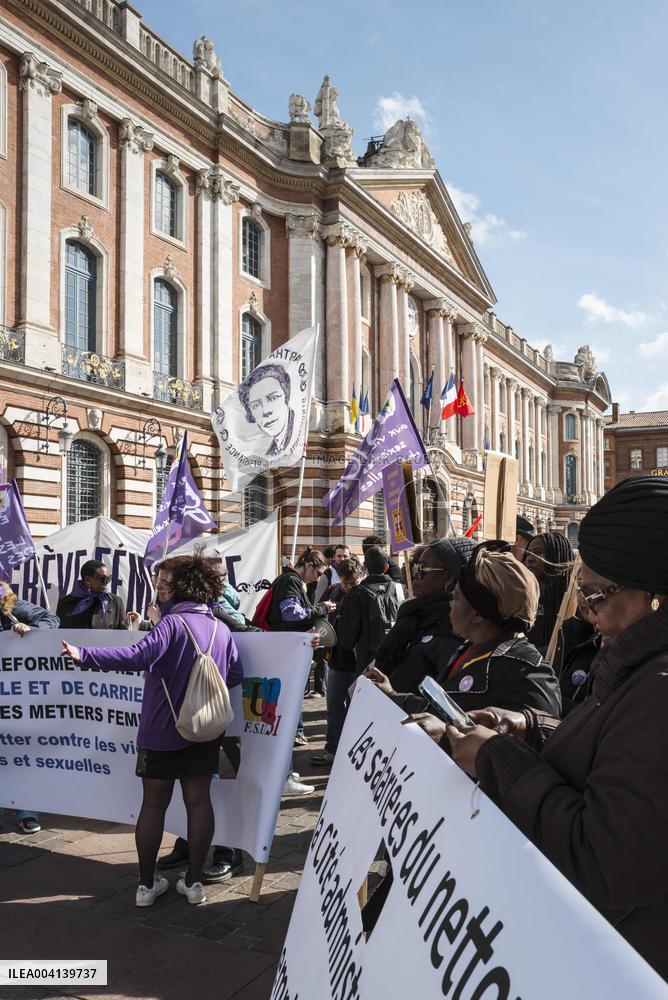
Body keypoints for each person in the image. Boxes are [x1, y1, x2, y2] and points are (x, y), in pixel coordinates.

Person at [413, 476, 668, 980]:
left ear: (654, 594)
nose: (584, 611)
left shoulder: (659, 686)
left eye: (594, 595)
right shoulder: (635, 661)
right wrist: (530, 728)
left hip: (616, 962)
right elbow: (611, 750)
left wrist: (497, 758)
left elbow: (604, 862)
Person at [61, 555, 243, 907]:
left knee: (154, 805)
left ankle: (146, 886)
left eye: (163, 584)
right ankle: (193, 884)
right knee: (200, 802)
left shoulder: (171, 626)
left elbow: (136, 655)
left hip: (161, 729)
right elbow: (234, 675)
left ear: (182, 587)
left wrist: (84, 655)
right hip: (205, 730)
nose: (158, 590)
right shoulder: (221, 628)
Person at [369, 540, 561, 717]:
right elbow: (447, 711)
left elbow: (536, 739)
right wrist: (393, 695)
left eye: (457, 597)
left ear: (478, 613)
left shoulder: (529, 676)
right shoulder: (471, 649)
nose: (451, 604)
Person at [267, 547, 335, 794]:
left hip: (284, 652)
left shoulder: (291, 581)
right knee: (284, 714)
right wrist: (321, 608)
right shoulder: (290, 581)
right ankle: (283, 777)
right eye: (317, 571)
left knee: (286, 712)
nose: (318, 578)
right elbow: (292, 615)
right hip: (283, 654)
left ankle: (283, 772)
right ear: (307, 564)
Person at [373, 538, 474, 695]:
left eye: (422, 569)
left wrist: (393, 695)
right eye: (414, 569)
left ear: (448, 578)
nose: (415, 576)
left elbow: (446, 703)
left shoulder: (454, 631)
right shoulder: (414, 616)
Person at [0, 580, 59, 834]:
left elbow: (52, 619)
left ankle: (27, 812)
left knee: (22, 748)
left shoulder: (13, 605)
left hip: (17, 694)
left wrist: (30, 629)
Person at [524, 530, 596, 705]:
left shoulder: (570, 599)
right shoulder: (524, 594)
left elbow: (565, 645)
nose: (531, 558)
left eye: (539, 553)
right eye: (529, 553)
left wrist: (532, 655)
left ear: (556, 557)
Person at [311, 557, 363, 767]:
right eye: (345, 583)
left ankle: (354, 750)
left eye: (353, 583)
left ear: (360, 577)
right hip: (337, 661)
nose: (349, 587)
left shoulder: (366, 595)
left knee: (356, 709)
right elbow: (318, 616)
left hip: (359, 663)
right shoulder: (333, 591)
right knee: (333, 707)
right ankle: (332, 749)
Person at [333, 545, 399, 677]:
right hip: (395, 663)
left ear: (365, 567)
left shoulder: (356, 594)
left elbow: (347, 638)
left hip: (367, 665)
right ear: (386, 568)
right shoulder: (400, 590)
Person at [238, 363, 295, 457]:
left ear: (286, 395)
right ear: (250, 413)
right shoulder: (271, 449)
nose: (266, 411)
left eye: (273, 398)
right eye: (256, 405)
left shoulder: (297, 433)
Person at [57, 559, 128, 629]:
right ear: (88, 580)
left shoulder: (116, 601)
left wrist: (133, 623)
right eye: (103, 578)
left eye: (109, 577)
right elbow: (61, 634)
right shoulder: (65, 603)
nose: (107, 582)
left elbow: (123, 633)